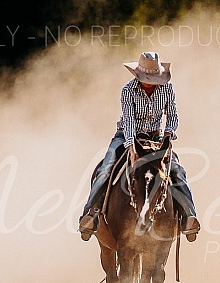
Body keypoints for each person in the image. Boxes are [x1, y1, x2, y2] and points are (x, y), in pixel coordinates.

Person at [78, 51, 200, 241]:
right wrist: (131, 145)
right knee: (105, 169)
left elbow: (173, 115)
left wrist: (168, 134)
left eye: (153, 78)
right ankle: (90, 216)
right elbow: (128, 121)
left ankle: (188, 216)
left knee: (177, 170)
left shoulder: (167, 89)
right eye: (146, 78)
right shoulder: (128, 90)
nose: (150, 82)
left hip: (157, 138)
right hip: (126, 136)